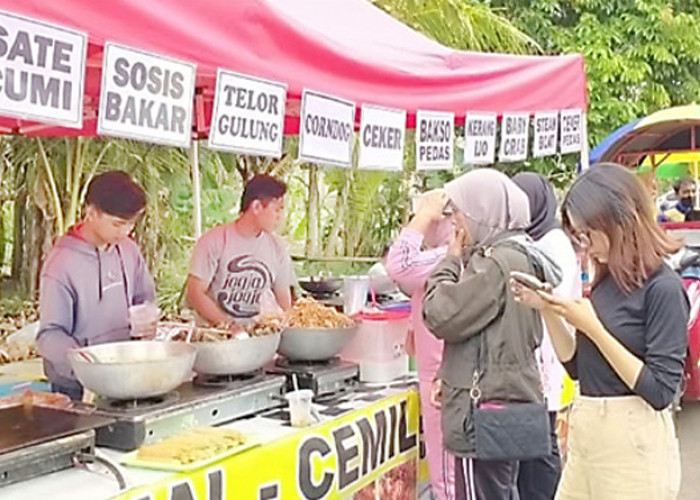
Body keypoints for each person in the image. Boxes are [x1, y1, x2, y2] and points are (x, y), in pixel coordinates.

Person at [512, 163, 687, 499]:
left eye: (587, 234)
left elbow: (660, 390)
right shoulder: (607, 281)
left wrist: (594, 328)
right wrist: (547, 307)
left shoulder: (663, 288)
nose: (584, 246)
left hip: (632, 445)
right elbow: (578, 367)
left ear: (618, 221)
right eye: (579, 236)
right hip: (587, 433)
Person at [423, 168, 561, 500]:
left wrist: (450, 261)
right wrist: (448, 372)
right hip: (503, 406)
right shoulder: (521, 254)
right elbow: (483, 332)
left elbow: (440, 313)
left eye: (458, 211)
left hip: (483, 413)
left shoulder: (497, 264)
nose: (454, 220)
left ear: (482, 212)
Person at [37, 171, 156, 401]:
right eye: (118, 224)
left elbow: (144, 296)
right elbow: (49, 335)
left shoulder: (128, 249)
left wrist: (147, 315)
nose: (126, 232)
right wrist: (87, 364)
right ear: (91, 213)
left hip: (126, 373)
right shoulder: (61, 264)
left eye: (131, 224)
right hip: (76, 387)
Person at [512, 172, 582, 500]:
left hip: (549, 350)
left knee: (540, 444)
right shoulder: (535, 239)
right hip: (540, 351)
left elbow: (549, 296)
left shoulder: (552, 244)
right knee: (537, 439)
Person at [385, 189, 455, 500]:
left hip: (444, 378)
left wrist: (425, 213)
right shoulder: (444, 255)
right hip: (440, 372)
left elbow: (398, 264)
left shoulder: (450, 253)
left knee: (448, 477)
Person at [187, 174, 295, 329]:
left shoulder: (277, 247)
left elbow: (283, 298)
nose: (280, 217)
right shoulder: (213, 241)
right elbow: (195, 293)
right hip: (216, 338)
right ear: (256, 207)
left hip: (260, 336)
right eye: (277, 210)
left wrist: (289, 324)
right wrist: (229, 326)